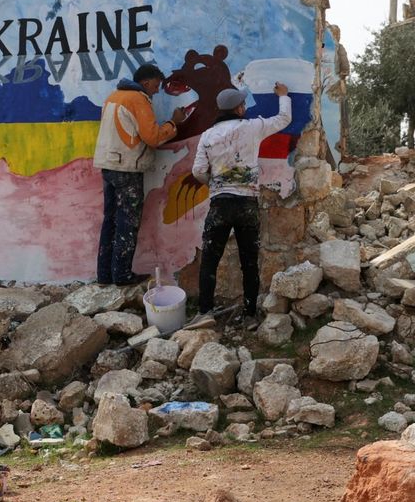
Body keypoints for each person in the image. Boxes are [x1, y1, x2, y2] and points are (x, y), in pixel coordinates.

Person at [191, 82, 292, 326]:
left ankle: (205, 312)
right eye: (242, 103)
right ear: (238, 108)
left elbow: (197, 171)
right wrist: (284, 96)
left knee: (210, 260)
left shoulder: (207, 136)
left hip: (220, 204)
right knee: (249, 260)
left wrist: (215, 184)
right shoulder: (252, 127)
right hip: (247, 204)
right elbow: (283, 119)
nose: (244, 106)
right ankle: (249, 316)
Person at [94, 64, 186, 286]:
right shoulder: (138, 99)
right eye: (155, 86)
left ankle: (105, 274)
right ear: (145, 83)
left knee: (111, 220)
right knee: (128, 221)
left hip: (108, 164)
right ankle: (123, 275)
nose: (156, 91)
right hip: (127, 167)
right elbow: (152, 137)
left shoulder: (113, 97)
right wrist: (174, 123)